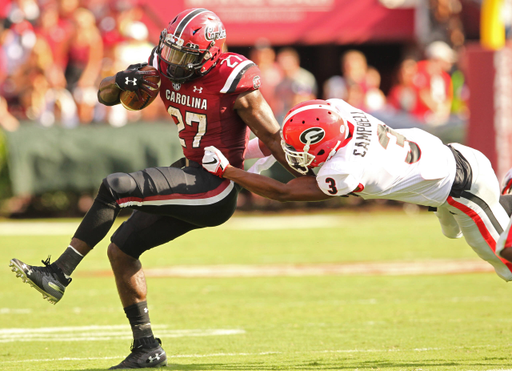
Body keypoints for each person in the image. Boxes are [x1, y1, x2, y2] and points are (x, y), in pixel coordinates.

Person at [9, 8, 299, 370]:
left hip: (215, 183)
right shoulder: (162, 62)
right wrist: (121, 80)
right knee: (121, 251)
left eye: (184, 56)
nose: (173, 62)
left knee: (115, 187)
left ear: (210, 54)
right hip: (191, 173)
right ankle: (147, 347)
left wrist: (305, 177)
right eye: (171, 50)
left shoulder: (232, 77)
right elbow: (105, 96)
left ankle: (59, 273)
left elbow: (272, 137)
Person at [202, 98, 512, 284]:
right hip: (450, 159)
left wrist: (228, 171)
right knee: (451, 233)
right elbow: (289, 140)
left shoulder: (345, 171)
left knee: (505, 262)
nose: (296, 156)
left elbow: (284, 192)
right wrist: (242, 153)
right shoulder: (338, 111)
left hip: (462, 187)